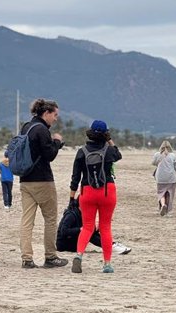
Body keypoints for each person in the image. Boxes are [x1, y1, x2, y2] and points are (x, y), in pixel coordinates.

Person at [19, 98, 68, 269]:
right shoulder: (42, 130)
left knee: (27, 221)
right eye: (54, 115)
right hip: (43, 180)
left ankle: (27, 258)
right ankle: (50, 257)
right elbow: (49, 155)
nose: (55, 119)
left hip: (25, 180)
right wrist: (56, 141)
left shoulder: (26, 126)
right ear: (46, 113)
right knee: (50, 219)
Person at [69, 120, 122, 274]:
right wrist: (109, 139)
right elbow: (118, 154)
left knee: (87, 227)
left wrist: (72, 198)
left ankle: (79, 256)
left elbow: (75, 178)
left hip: (87, 192)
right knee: (105, 228)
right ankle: (106, 264)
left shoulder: (81, 152)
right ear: (106, 134)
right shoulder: (109, 150)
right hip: (107, 191)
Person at [56, 197, 132, 255]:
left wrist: (97, 228)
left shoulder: (84, 213)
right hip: (64, 244)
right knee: (87, 233)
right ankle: (111, 247)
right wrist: (80, 229)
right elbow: (64, 231)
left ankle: (111, 244)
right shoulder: (71, 215)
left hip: (74, 242)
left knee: (90, 231)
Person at [152, 141, 176, 217]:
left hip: (160, 177)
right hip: (171, 178)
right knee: (169, 194)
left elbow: (153, 163)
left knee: (161, 193)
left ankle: (163, 205)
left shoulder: (157, 154)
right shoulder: (173, 156)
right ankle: (167, 212)